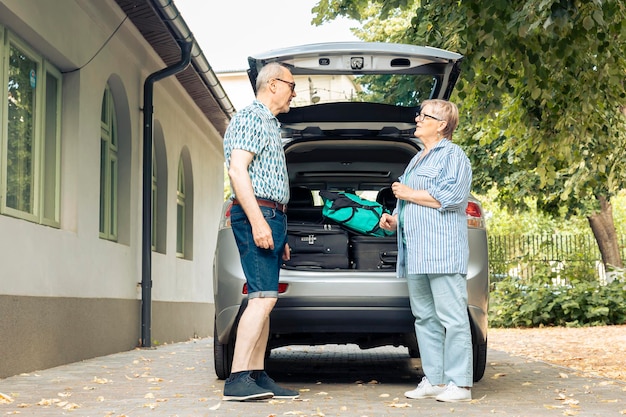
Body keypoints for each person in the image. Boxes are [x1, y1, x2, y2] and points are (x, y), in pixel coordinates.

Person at [379, 99, 474, 402]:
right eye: (419, 115)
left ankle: (460, 384)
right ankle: (434, 379)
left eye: (424, 115)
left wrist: (407, 192)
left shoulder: (453, 155)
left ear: (442, 124)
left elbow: (452, 197)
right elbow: (412, 205)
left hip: (442, 250)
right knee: (425, 318)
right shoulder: (419, 157)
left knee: (453, 318)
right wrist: (395, 220)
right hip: (416, 252)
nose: (417, 119)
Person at [222, 62, 299, 401]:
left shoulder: (269, 123)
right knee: (262, 298)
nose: (294, 93)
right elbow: (238, 171)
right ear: (273, 84)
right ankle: (237, 378)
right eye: (292, 86)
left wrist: (276, 231)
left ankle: (256, 374)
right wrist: (258, 222)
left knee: (265, 297)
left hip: (271, 215)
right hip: (259, 213)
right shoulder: (251, 117)